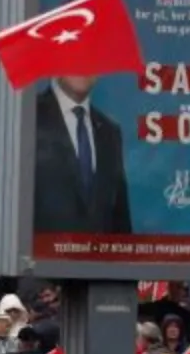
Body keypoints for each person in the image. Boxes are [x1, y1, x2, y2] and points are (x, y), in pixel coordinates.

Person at [32, 75, 130, 239]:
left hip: (100, 261)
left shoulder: (110, 132)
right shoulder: (29, 117)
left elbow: (120, 220)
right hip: (43, 261)